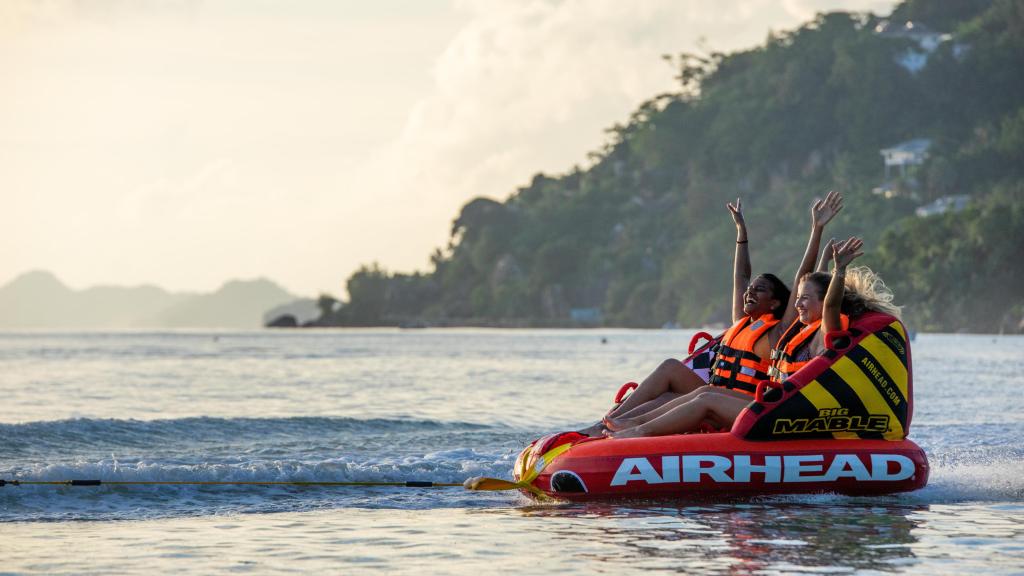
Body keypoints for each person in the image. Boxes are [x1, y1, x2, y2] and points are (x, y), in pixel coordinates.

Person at [593, 191, 843, 438]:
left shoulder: (778, 330)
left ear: (776, 302)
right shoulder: (742, 322)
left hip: (744, 402)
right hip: (721, 392)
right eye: (751, 290)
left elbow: (803, 276)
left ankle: (634, 431)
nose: (749, 292)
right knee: (670, 377)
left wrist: (816, 230)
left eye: (760, 290)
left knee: (705, 395)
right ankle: (612, 422)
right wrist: (741, 233)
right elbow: (741, 277)